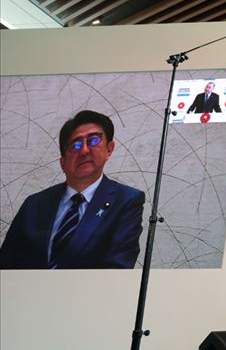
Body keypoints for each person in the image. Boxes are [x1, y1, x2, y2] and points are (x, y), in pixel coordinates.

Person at [0, 110, 145, 269]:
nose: (84, 150)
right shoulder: (34, 204)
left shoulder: (125, 201)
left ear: (109, 149)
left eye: (94, 140)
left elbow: (118, 267)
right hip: (30, 286)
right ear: (63, 163)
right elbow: (6, 263)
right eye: (75, 145)